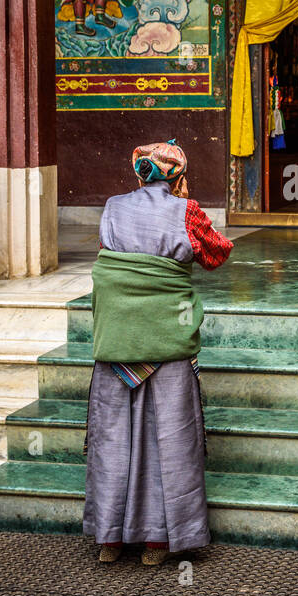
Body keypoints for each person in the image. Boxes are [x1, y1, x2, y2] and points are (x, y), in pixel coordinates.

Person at [85, 139, 233, 565]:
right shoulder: (186, 211)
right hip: (166, 345)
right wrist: (183, 205)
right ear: (179, 178)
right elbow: (217, 254)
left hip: (117, 342)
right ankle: (158, 542)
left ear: (139, 175)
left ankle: (110, 540)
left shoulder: (112, 207)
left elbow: (109, 260)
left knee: (114, 438)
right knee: (168, 439)